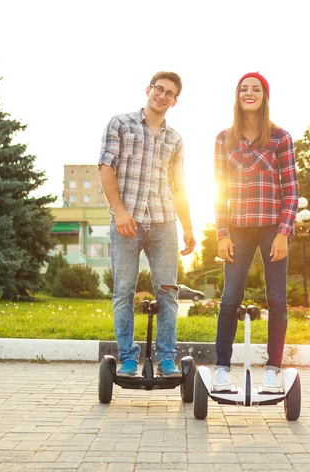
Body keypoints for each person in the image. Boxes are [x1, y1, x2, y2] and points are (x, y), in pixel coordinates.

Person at [98, 71, 195, 378]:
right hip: (128, 222)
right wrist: (119, 211)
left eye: (170, 93)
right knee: (124, 291)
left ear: (175, 101)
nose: (162, 95)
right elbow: (105, 167)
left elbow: (179, 187)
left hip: (164, 221)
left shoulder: (174, 139)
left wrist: (189, 228)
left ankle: (167, 357)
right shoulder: (120, 124)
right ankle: (127, 358)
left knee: (168, 291)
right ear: (149, 89)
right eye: (159, 89)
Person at [213, 72, 299, 392]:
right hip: (238, 229)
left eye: (256, 89)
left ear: (264, 96)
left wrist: (283, 232)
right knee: (229, 298)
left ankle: (273, 369)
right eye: (244, 89)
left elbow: (291, 189)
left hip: (272, 228)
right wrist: (222, 234)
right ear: (237, 96)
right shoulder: (223, 139)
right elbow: (218, 191)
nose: (249, 93)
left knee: (276, 299)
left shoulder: (280, 137)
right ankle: (222, 368)